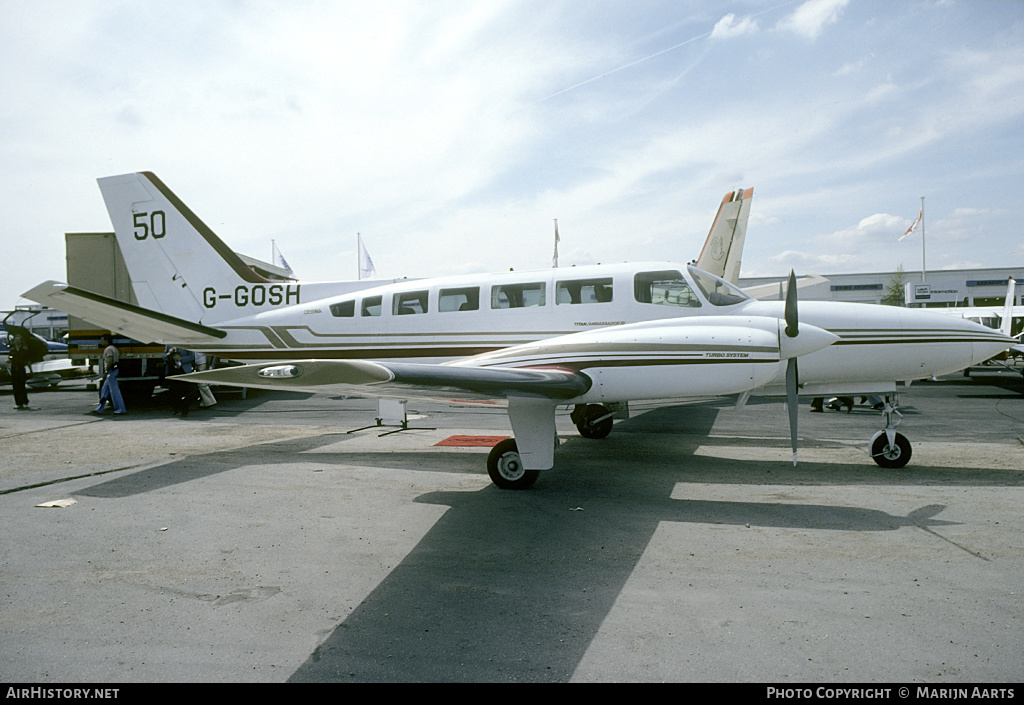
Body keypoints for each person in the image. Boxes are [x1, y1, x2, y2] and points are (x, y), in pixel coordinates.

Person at [94, 334, 126, 415]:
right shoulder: (114, 348)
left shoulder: (108, 349)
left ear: (106, 340)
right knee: (104, 391)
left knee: (114, 391)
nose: (101, 341)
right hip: (114, 370)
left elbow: (110, 361)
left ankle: (120, 409)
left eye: (102, 340)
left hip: (111, 372)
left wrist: (106, 372)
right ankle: (99, 408)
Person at [163, 346, 198, 416]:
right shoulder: (169, 344)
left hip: (183, 370)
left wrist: (181, 359)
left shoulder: (185, 344)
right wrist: (169, 353)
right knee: (173, 391)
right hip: (172, 370)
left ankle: (184, 409)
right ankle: (175, 408)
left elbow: (192, 356)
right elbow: (164, 357)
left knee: (185, 390)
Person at [9, 334, 31, 410]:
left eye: (18, 340)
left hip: (21, 370)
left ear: (21, 341)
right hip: (14, 370)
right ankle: (18, 403)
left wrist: (30, 370)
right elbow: (10, 358)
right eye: (15, 340)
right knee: (15, 387)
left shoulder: (25, 350)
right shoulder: (12, 351)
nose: (17, 341)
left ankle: (25, 402)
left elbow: (28, 361)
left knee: (22, 386)